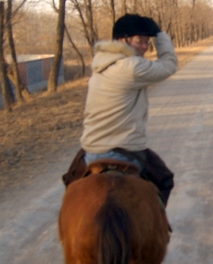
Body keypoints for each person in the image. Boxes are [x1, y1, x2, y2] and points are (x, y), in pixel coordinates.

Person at [62, 13, 178, 208]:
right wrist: (159, 34)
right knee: (164, 179)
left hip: (91, 151)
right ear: (122, 40)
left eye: (147, 41)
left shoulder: (102, 62)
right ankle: (155, 235)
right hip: (125, 150)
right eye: (139, 41)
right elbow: (169, 65)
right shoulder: (131, 67)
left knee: (71, 191)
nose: (144, 47)